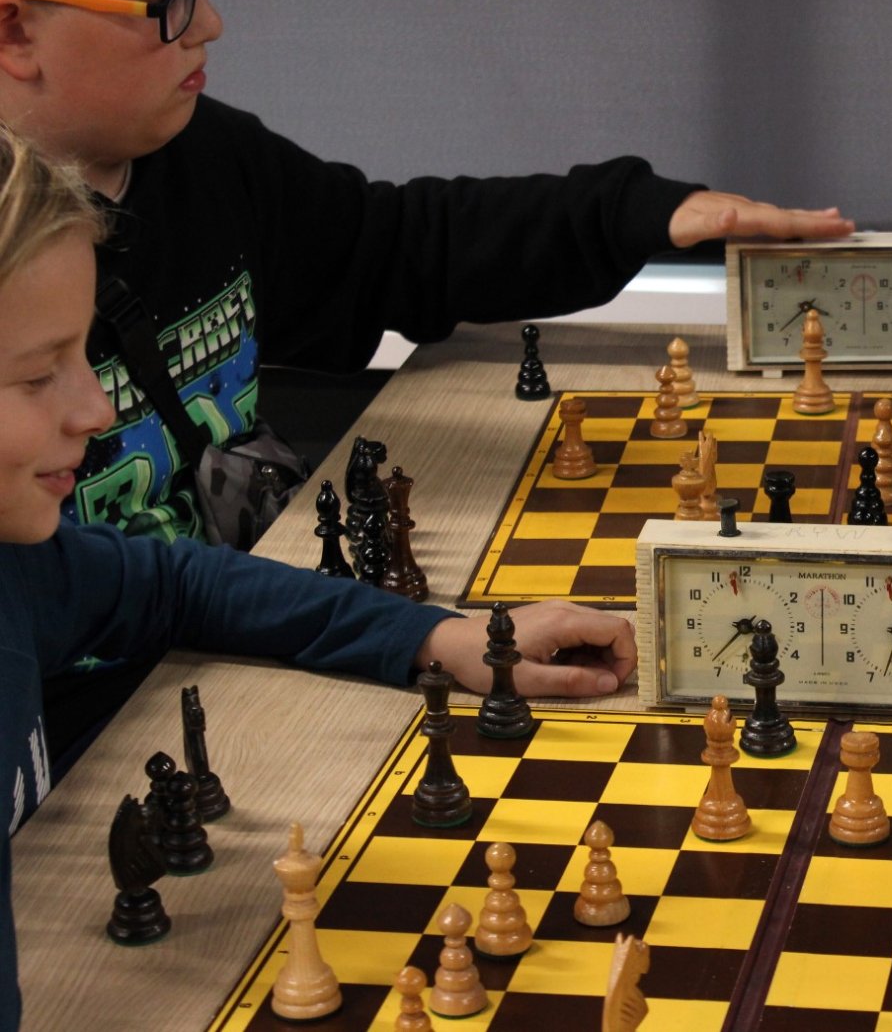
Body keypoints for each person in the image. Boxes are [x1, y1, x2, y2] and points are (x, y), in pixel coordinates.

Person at [0, 0, 852, 761]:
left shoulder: (202, 158)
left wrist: (631, 215)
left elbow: (395, 247)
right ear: (14, 30)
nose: (209, 24)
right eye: (165, 1)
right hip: (86, 728)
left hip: (243, 628)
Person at [0, 127, 639, 1031]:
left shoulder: (23, 565)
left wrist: (436, 634)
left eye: (82, 355)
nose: (97, 407)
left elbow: (179, 585)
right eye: (39, 375)